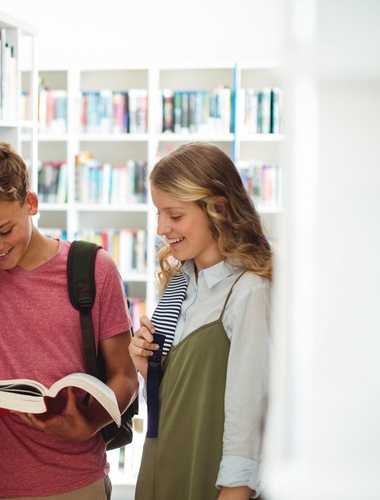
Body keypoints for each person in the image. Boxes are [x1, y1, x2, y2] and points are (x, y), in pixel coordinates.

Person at [0, 141, 139, 500]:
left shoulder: (94, 270)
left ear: (32, 203)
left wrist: (89, 424)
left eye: (5, 230)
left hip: (77, 483)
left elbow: (126, 377)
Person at [129, 142, 272, 500]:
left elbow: (248, 419)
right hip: (162, 464)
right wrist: (146, 366)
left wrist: (234, 492)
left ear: (218, 209)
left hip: (208, 476)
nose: (162, 227)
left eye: (174, 216)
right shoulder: (179, 283)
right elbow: (176, 399)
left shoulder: (249, 292)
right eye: (158, 214)